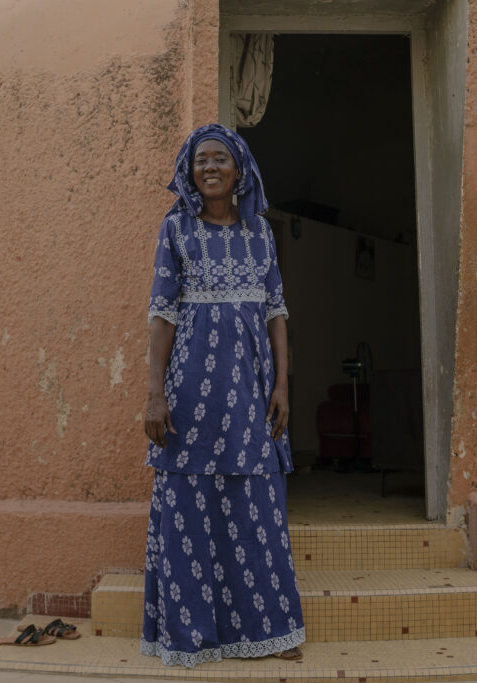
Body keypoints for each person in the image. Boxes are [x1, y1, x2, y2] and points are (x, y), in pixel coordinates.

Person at [141, 124, 305, 668]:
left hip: (250, 392)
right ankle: (191, 635)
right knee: (189, 510)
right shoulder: (176, 229)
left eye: (220, 159)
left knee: (258, 508)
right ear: (190, 173)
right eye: (200, 161)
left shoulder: (261, 233)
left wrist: (282, 384)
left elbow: (276, 312)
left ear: (240, 170)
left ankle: (272, 633)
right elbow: (162, 314)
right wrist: (155, 394)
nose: (210, 168)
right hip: (189, 395)